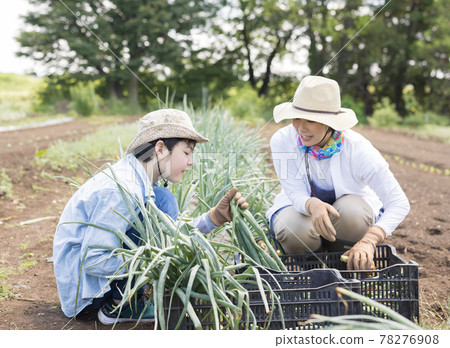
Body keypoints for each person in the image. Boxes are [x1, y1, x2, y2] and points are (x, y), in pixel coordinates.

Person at [53, 108, 248, 325]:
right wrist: (154, 263)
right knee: (163, 202)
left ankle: (129, 294)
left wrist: (214, 218)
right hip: (88, 295)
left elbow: (167, 238)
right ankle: (119, 304)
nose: (191, 162)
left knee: (163, 200)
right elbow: (94, 259)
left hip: (99, 280)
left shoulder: (142, 182)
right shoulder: (123, 189)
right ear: (161, 148)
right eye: (186, 152)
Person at [266, 75, 410, 270]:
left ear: (330, 123)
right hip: (299, 211)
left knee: (354, 213)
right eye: (296, 117)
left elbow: (398, 203)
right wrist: (312, 204)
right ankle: (312, 270)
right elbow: (294, 191)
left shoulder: (358, 149)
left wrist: (370, 240)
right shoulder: (282, 140)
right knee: (294, 228)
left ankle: (344, 266)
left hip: (346, 220)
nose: (300, 127)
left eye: (310, 120)